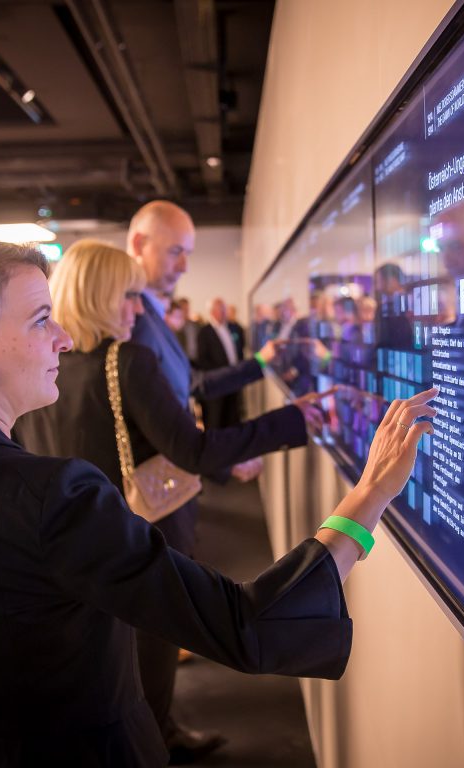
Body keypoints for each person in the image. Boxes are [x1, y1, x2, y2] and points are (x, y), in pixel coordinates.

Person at [0, 235, 436, 767]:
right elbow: (248, 626)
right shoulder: (55, 498)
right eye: (39, 320)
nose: (65, 337)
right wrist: (371, 494)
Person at [124, 201, 302, 757]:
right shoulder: (133, 326)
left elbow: (188, 388)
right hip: (154, 503)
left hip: (173, 493)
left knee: (160, 630)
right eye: (174, 250)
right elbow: (173, 430)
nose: (182, 265)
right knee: (151, 633)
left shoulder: (151, 317)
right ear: (138, 245)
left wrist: (257, 365)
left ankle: (162, 729)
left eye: (189, 253)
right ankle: (156, 738)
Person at [194, 297, 244, 429]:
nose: (223, 313)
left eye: (224, 309)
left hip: (234, 381)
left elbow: (240, 350)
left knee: (234, 417)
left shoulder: (234, 328)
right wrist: (223, 374)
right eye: (220, 310)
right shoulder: (204, 332)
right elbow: (203, 360)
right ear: (212, 312)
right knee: (216, 419)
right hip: (217, 383)